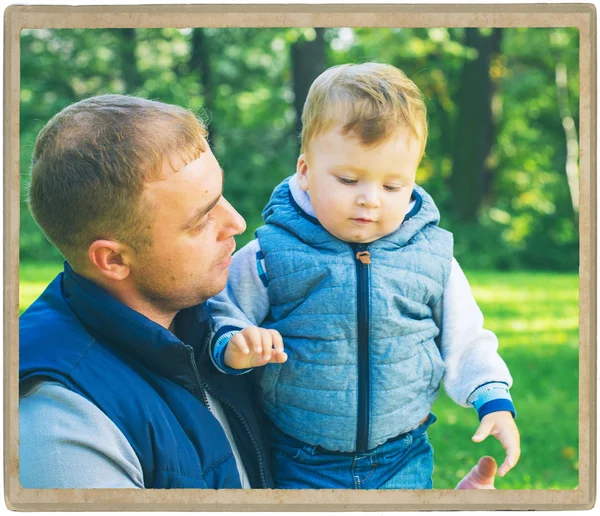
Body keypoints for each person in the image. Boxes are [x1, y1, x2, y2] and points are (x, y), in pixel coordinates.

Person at [207, 63, 521, 489]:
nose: (370, 200)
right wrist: (235, 342)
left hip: (402, 452)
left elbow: (466, 338)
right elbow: (220, 309)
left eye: (394, 187)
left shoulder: (431, 257)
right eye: (349, 179)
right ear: (304, 169)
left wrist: (492, 398)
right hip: (301, 457)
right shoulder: (271, 253)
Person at [19, 94, 274, 489]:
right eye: (202, 220)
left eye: (220, 197)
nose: (237, 223)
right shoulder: (59, 426)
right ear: (113, 260)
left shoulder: (213, 314)